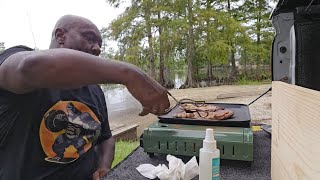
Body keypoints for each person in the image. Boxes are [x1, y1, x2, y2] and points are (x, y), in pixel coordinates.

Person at [0, 15, 170, 180]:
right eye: (89, 38)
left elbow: (106, 137)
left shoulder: (95, 91)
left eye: (99, 44)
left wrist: (104, 166)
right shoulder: (19, 61)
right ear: (60, 36)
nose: (97, 48)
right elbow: (28, 68)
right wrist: (130, 74)